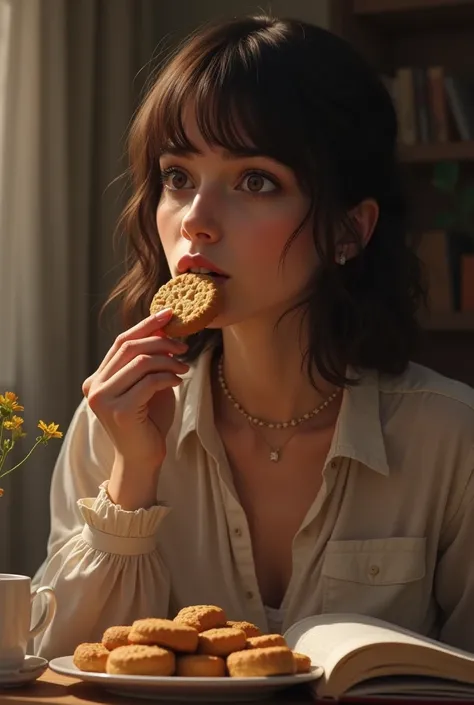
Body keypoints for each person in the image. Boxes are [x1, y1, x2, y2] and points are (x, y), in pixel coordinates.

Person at [32, 14, 474, 660]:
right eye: (178, 177)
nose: (197, 222)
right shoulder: (114, 419)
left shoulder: (451, 440)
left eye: (255, 181)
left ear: (350, 231)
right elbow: (60, 667)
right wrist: (133, 477)